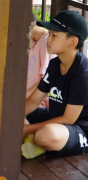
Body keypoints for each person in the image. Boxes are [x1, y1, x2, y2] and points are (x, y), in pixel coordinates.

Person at [24, 10, 88, 157]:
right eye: (49, 34)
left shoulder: (83, 73)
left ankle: (35, 139)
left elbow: (69, 119)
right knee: (15, 111)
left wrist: (25, 129)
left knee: (46, 135)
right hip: (55, 118)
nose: (48, 39)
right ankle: (34, 141)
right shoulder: (54, 64)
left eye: (54, 35)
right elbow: (34, 100)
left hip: (79, 129)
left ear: (72, 42)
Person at [27, 12, 54, 106]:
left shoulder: (46, 43)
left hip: (37, 102)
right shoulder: (35, 42)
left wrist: (25, 95)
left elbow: (45, 80)